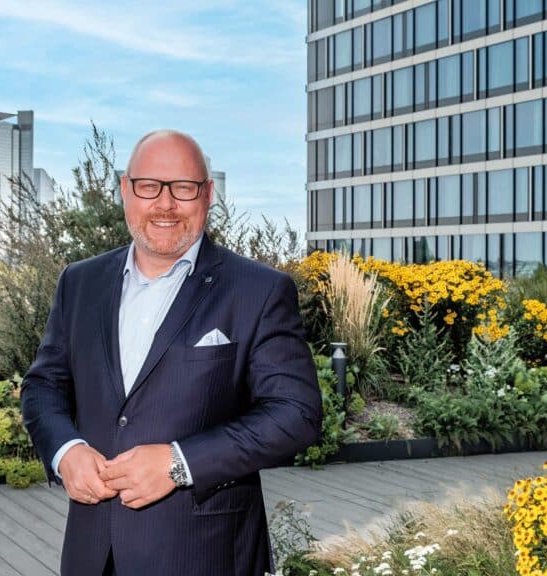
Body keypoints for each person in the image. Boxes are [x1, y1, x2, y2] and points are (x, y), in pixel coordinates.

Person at [20, 129, 323, 575]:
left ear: (208, 194)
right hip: (92, 554)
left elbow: (296, 414)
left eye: (183, 188)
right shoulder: (80, 283)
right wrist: (65, 451)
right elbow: (44, 384)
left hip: (205, 555)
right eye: (149, 187)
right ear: (125, 190)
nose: (165, 204)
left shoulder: (258, 291)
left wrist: (180, 463)